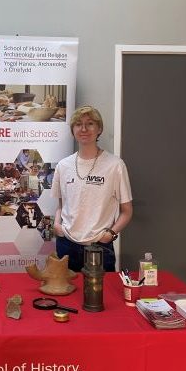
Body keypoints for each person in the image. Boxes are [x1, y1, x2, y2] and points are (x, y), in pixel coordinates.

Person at [51, 106, 132, 272]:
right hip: (66, 245)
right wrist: (57, 224)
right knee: (66, 295)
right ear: (73, 129)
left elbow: (127, 211)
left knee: (102, 296)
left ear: (99, 129)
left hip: (99, 247)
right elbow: (61, 204)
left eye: (90, 123)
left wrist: (111, 234)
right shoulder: (63, 165)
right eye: (78, 124)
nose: (84, 129)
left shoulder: (115, 165)